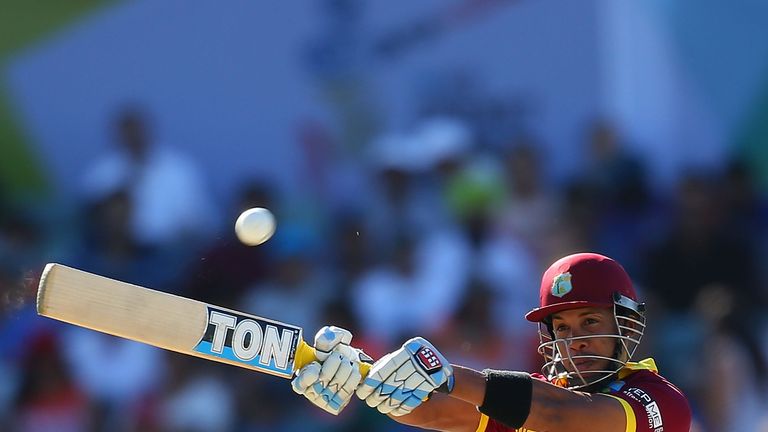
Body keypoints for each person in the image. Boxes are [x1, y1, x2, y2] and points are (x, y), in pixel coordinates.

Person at [292, 252, 691, 431]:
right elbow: (442, 413)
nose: (576, 341)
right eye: (563, 328)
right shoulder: (528, 400)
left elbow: (563, 417)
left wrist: (444, 374)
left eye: (589, 321)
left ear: (623, 324)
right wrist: (363, 378)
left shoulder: (661, 401)